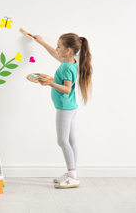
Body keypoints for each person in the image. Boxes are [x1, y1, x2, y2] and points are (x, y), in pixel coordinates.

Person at [32, 33, 92, 189]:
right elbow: (54, 54)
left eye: (59, 46)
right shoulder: (71, 62)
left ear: (68, 49)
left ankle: (72, 176)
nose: (57, 48)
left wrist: (50, 83)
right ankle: (72, 173)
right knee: (71, 140)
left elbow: (66, 89)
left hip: (64, 108)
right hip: (71, 107)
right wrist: (42, 42)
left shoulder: (66, 66)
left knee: (62, 141)